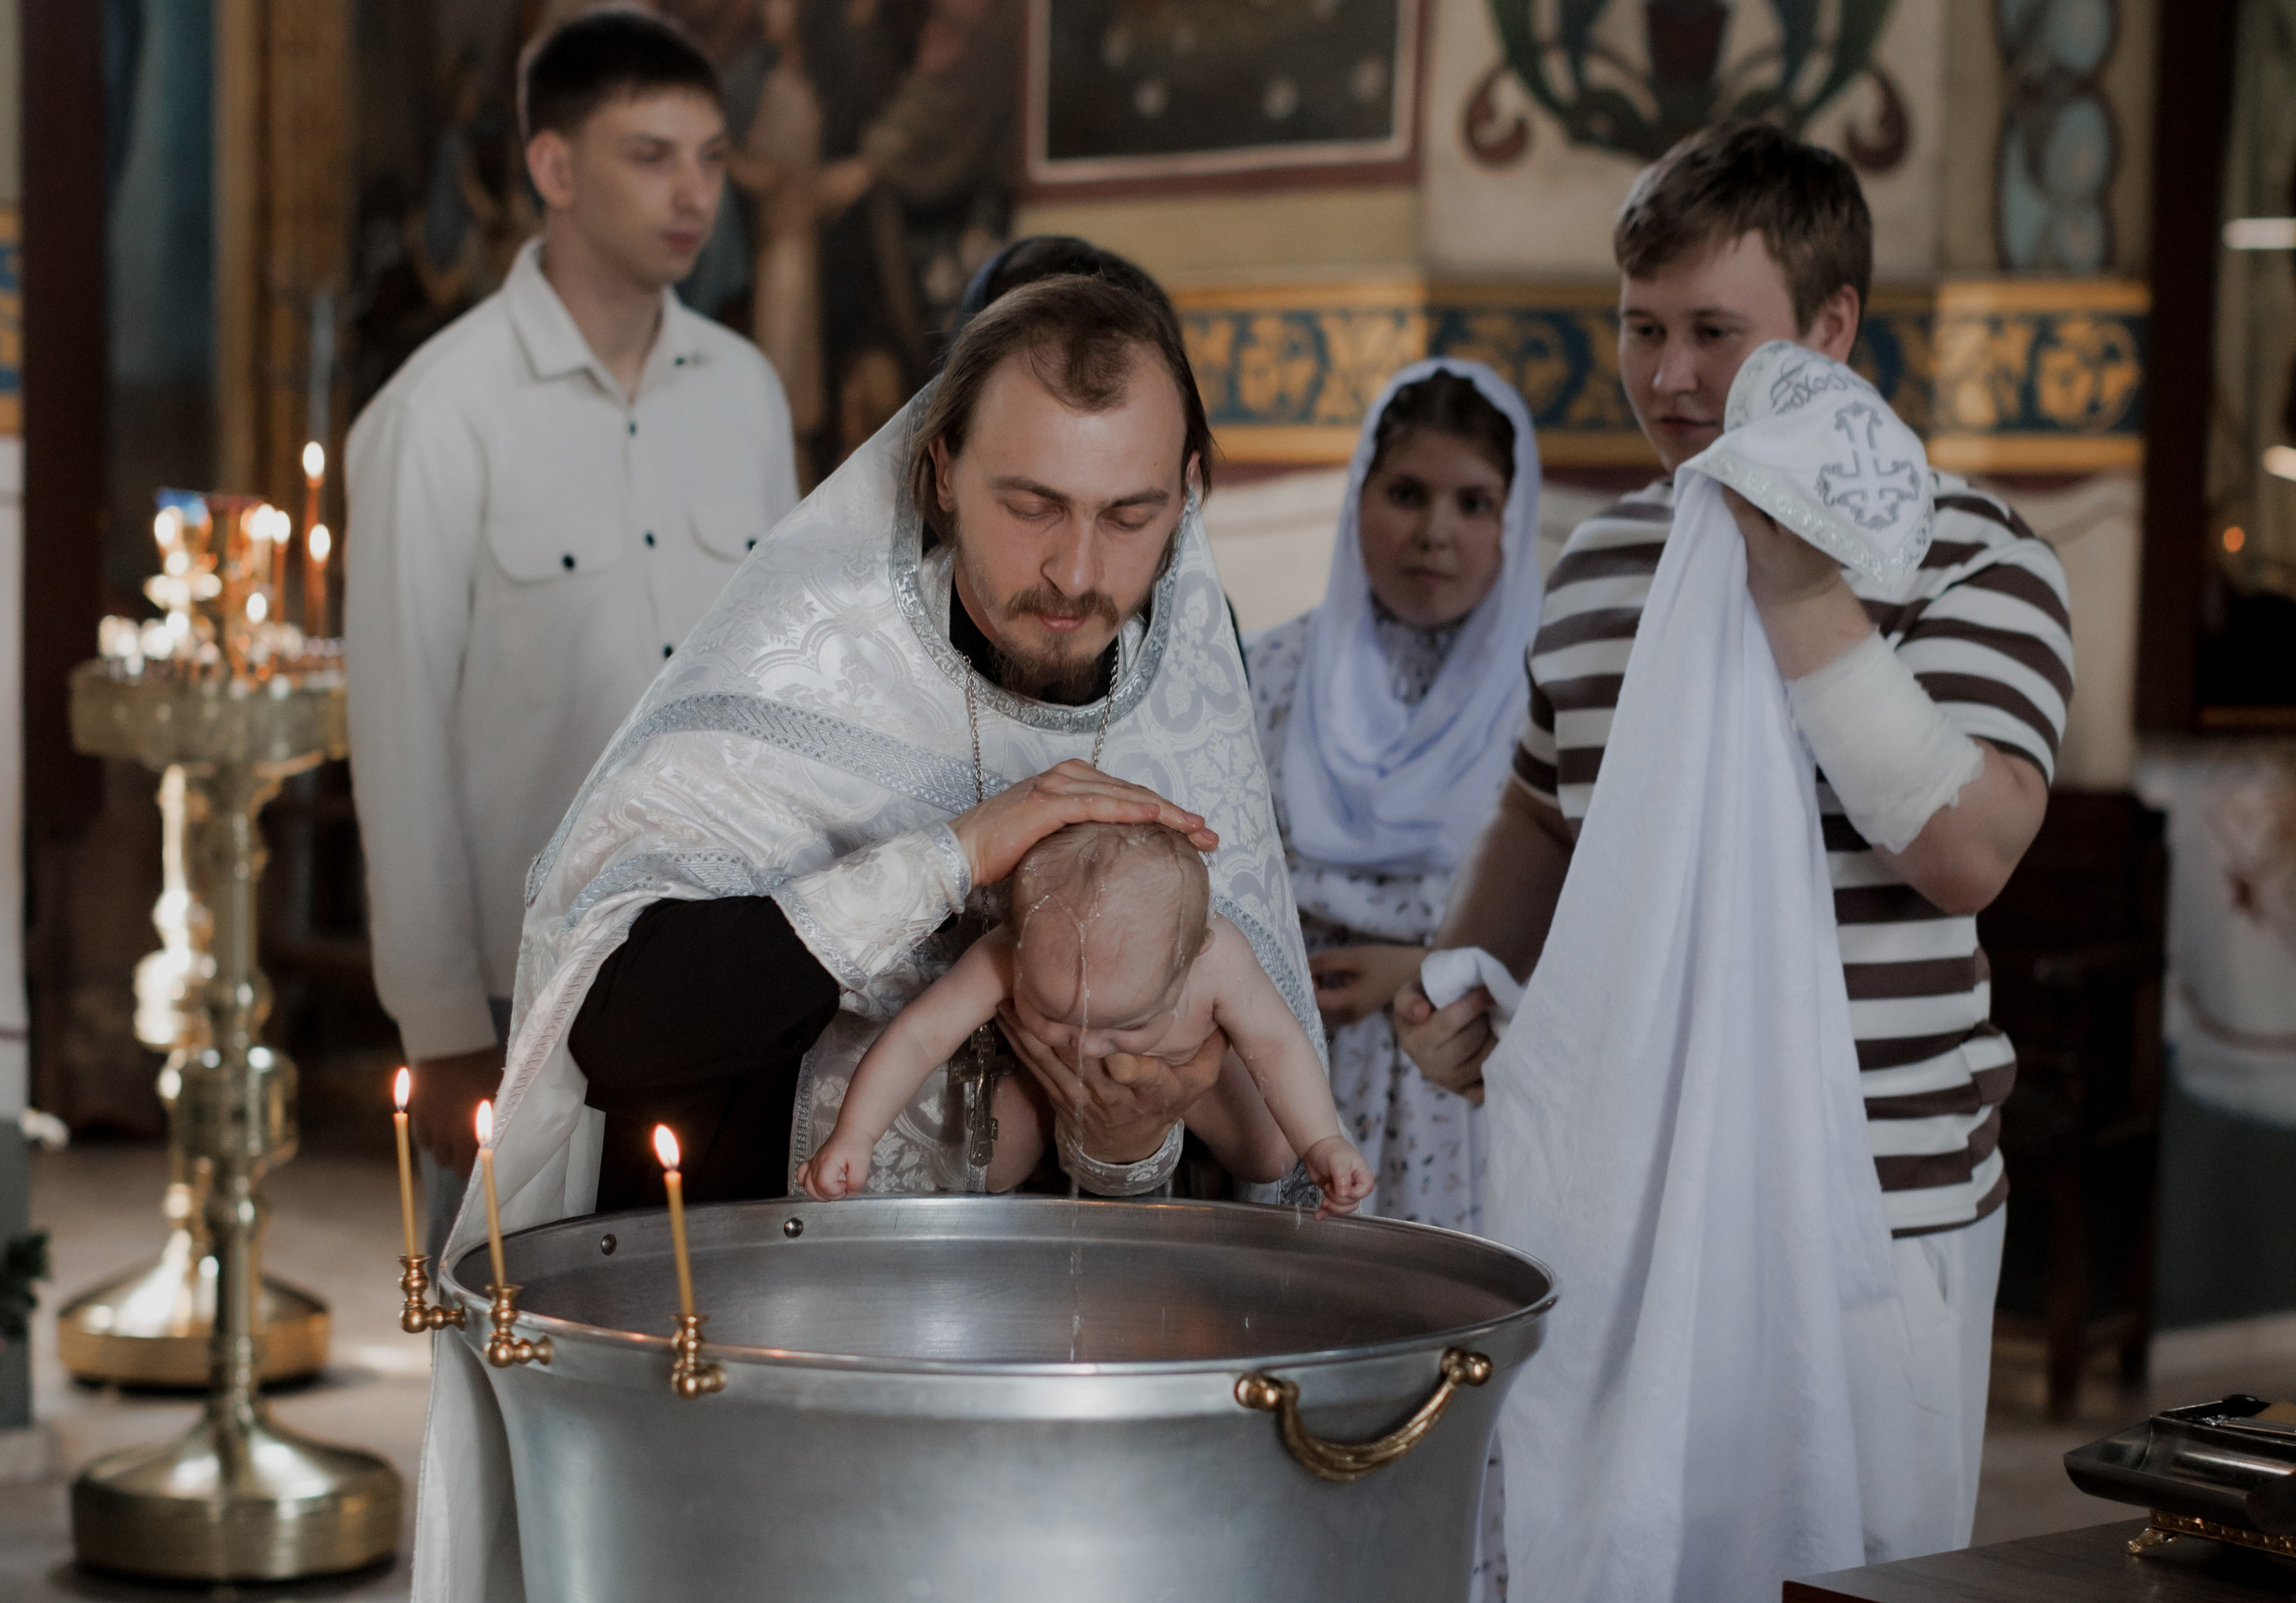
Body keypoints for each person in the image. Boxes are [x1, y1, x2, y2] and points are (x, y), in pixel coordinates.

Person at [412, 270, 1323, 1600]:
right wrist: (954, 850)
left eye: (1130, 515)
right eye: (1032, 506)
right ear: (940, 468)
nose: (1078, 572)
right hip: (764, 1373)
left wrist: (1125, 1148)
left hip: (1044, 1424)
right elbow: (619, 1029)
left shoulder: (1189, 694)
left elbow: (1239, 1149)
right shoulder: (799, 657)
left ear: (1190, 492)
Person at [1395, 124, 2073, 1590]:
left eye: (1716, 332)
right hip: (1629, 1192)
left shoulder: (1978, 554)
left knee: (1853, 1571)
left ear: (1829, 331)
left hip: (1879, 1206)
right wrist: (1464, 969)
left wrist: (1796, 584)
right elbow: (1539, 808)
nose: (1668, 378)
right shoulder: (1595, 562)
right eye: (1642, 328)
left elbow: (1967, 850)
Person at [345, 10, 797, 1257]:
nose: (693, 191)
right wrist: (438, 1022)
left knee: (713, 1312)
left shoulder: (747, 395)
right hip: (522, 982)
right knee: (508, 1330)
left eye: (711, 157)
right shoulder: (439, 416)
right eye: (651, 155)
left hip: (727, 953)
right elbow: (397, 734)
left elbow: (782, 683)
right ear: (553, 167)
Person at [1246, 359, 1541, 1235]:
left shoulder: (1552, 697)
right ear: (1357, 499)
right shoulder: (1266, 675)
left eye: (1475, 503)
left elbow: (1595, 921)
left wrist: (1416, 971)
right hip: (1284, 1080)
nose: (1435, 534)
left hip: (1473, 1087)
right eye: (1407, 494)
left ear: (1514, 520)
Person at [798, 822, 1374, 1210]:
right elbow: (920, 1037)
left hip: (1184, 1071)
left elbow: (1275, 1045)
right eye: (1054, 1012)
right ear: (1018, 942)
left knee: (1270, 1154)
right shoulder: (1003, 953)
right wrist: (856, 1134)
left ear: (1190, 956)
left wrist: (1323, 1141)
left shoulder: (1218, 958)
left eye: (1125, 1023)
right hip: (1038, 1076)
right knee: (991, 1171)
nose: (1089, 1045)